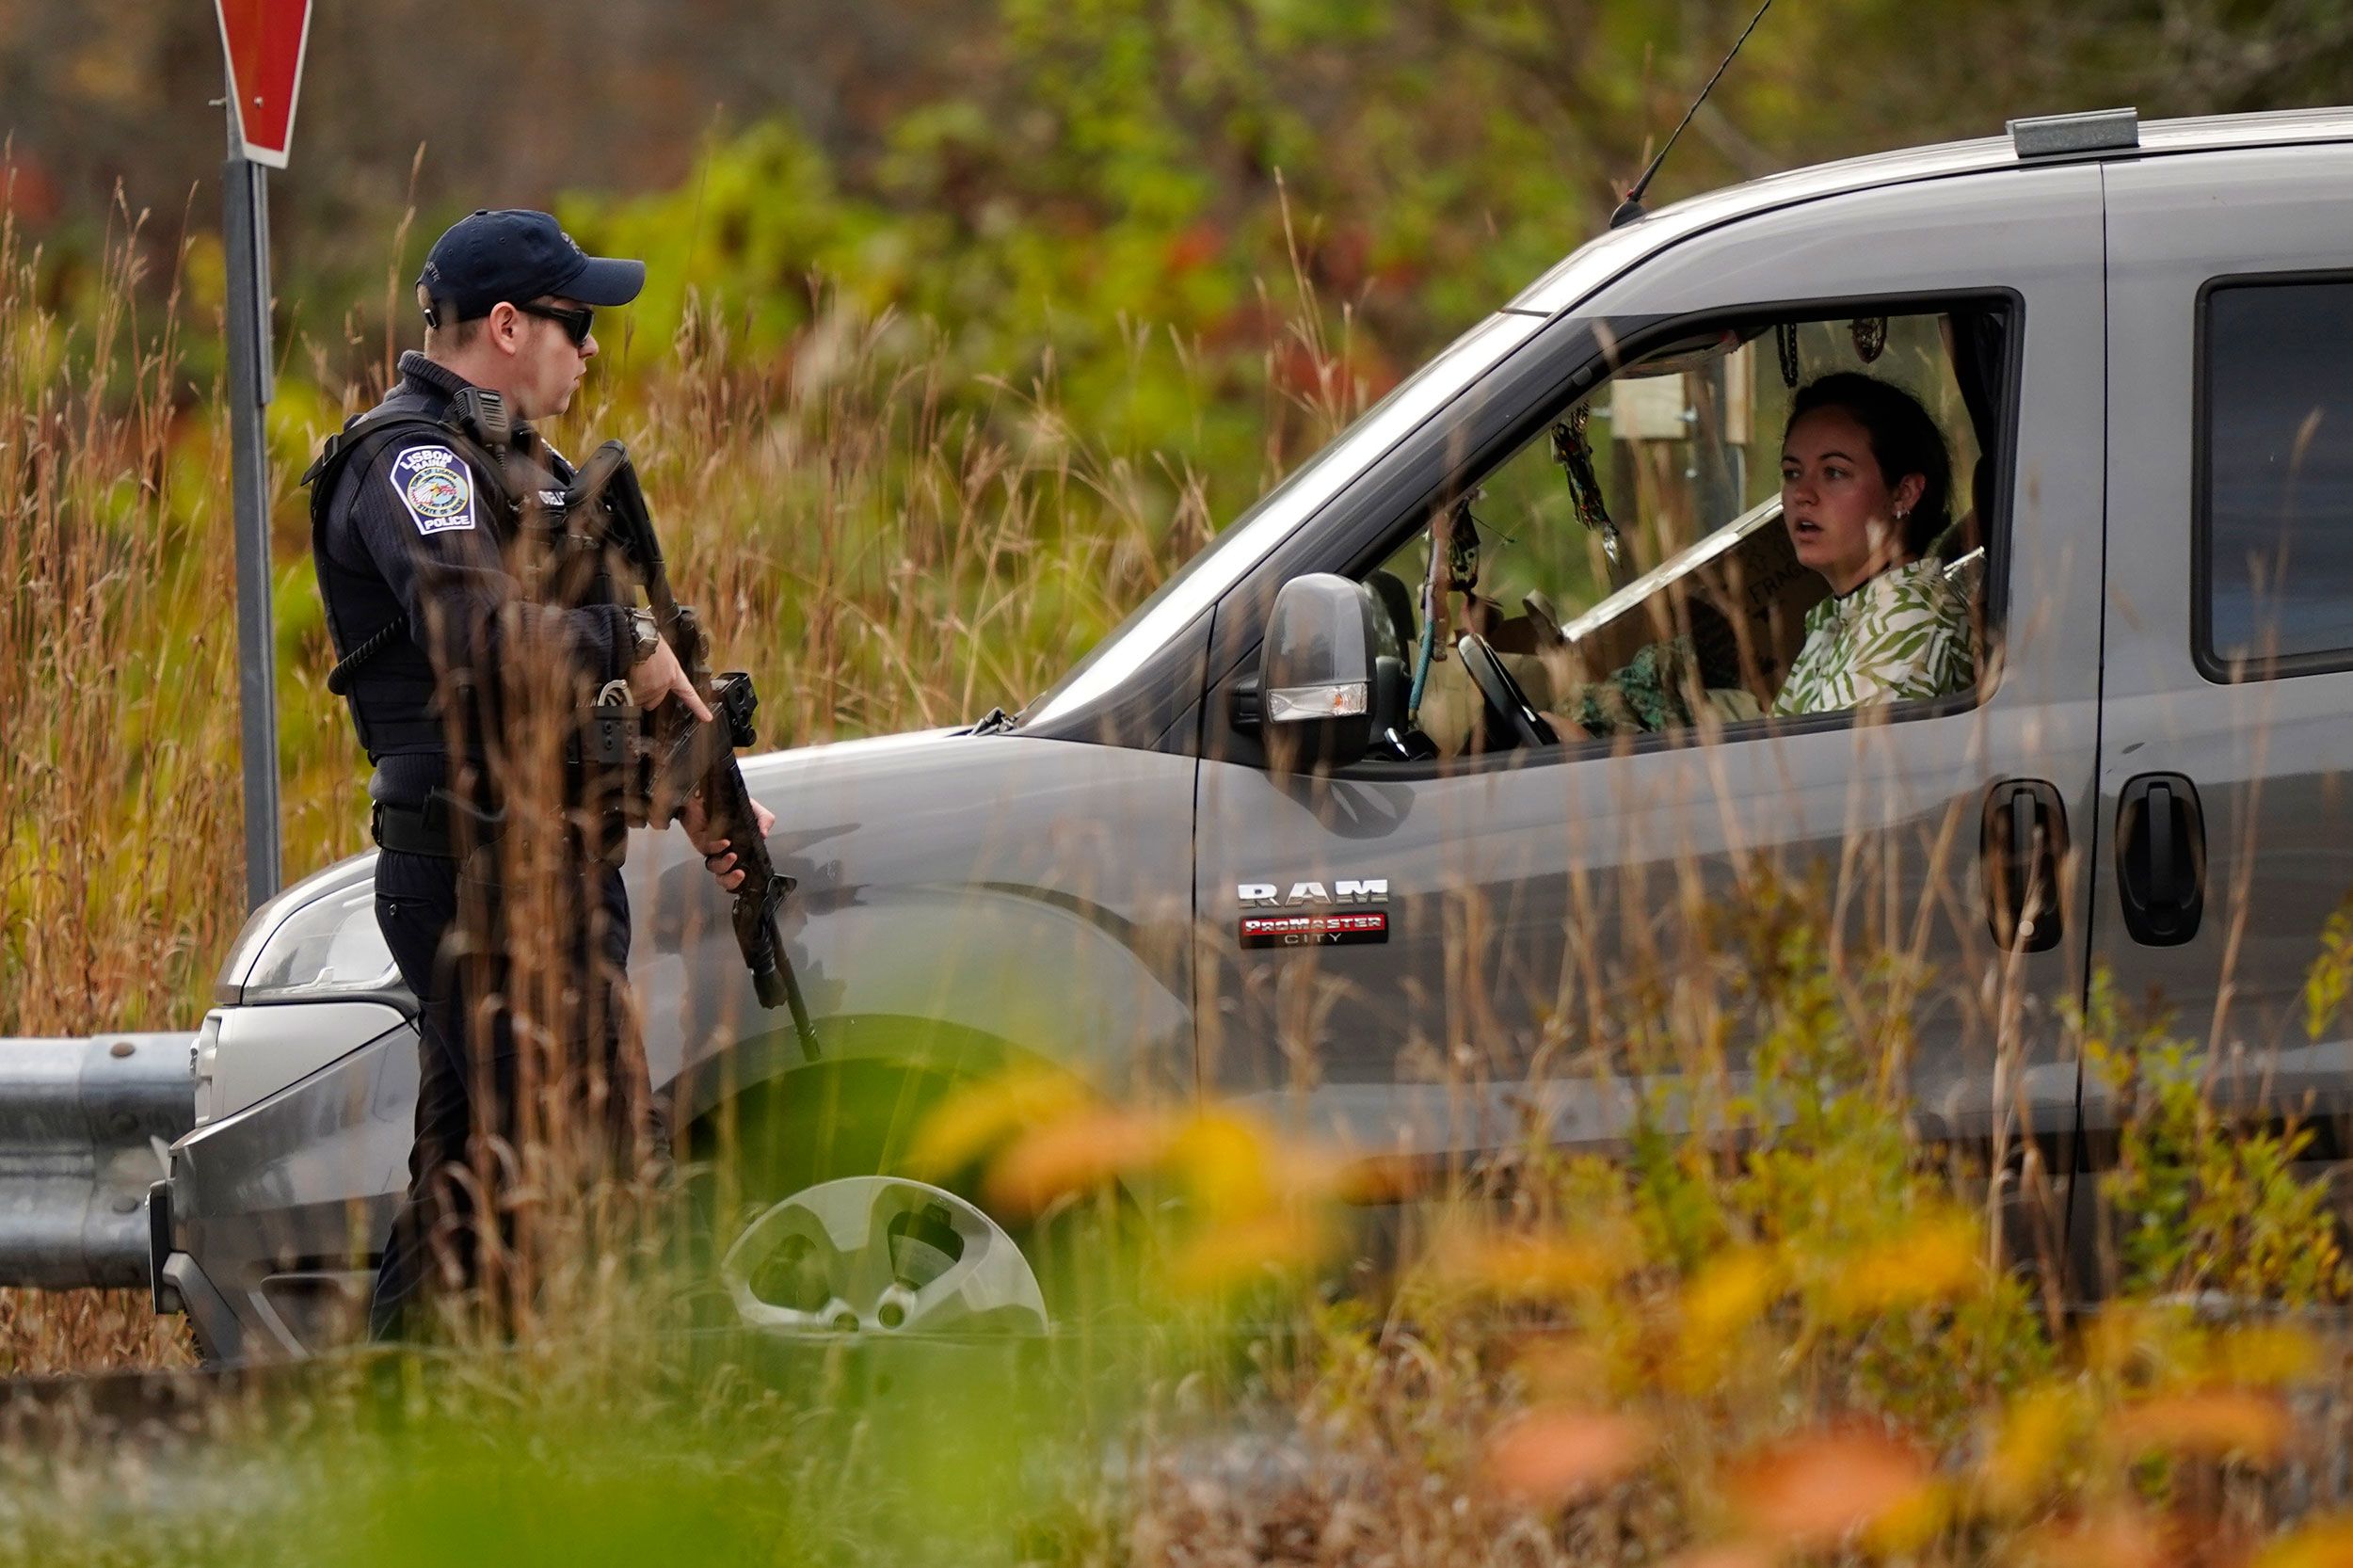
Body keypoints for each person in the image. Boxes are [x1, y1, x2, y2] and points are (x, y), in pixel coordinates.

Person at [304, 209, 771, 1339]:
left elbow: (570, 707)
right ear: (507, 324)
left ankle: (386, 1454)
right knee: (608, 1173)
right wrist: (628, 644)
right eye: (577, 321)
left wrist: (693, 781)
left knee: (461, 1204)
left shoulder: (535, 470)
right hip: (485, 872)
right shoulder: (411, 461)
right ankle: (673, 1448)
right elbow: (480, 646)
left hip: (544, 867)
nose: (592, 345)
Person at [1770, 372, 1975, 714]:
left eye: (1834, 472)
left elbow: (1830, 765)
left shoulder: (1908, 618)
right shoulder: (1845, 613)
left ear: (1904, 493)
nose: (1802, 494)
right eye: (1792, 473)